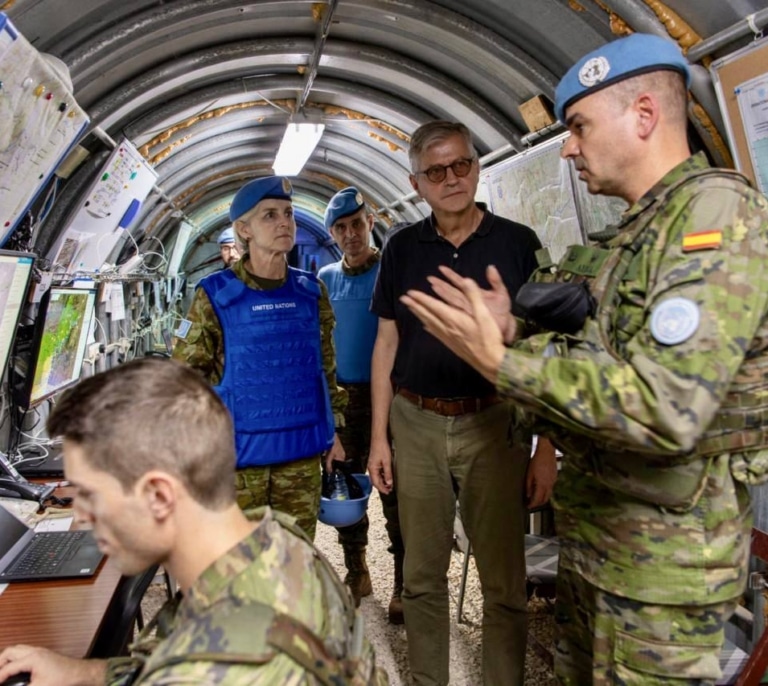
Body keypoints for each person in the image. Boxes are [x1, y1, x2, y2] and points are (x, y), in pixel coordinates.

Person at [400, 33, 768, 685]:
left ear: (645, 115)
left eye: (577, 126)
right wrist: (514, 334)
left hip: (663, 571)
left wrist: (502, 362)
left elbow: (666, 408)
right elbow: (604, 362)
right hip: (604, 546)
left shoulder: (713, 217)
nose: (567, 146)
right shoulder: (639, 231)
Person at [0, 358, 387, 686]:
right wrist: (81, 672)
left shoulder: (213, 671)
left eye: (89, 494)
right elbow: (183, 649)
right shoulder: (275, 539)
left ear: (159, 496)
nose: (81, 515)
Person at [368, 120, 558, 686]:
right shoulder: (401, 249)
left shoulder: (517, 244)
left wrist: (545, 446)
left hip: (495, 423)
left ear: (476, 167)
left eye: (462, 165)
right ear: (416, 182)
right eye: (437, 171)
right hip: (417, 421)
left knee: (504, 581)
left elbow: (546, 354)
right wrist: (380, 437)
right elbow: (386, 342)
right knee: (424, 575)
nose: (452, 178)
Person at [173, 176, 347, 541]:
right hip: (237, 463)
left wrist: (333, 434)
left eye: (288, 213)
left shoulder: (312, 292)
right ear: (244, 230)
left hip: (300, 459)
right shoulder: (215, 296)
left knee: (295, 566)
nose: (284, 222)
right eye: (269, 215)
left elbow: (323, 371)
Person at [317, 187, 405, 621]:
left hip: (387, 395)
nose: (350, 234)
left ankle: (404, 582)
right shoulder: (326, 279)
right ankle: (358, 571)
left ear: (371, 222)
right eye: (341, 228)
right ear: (332, 233)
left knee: (394, 489)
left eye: (356, 224)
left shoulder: (393, 271)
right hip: (342, 399)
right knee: (345, 489)